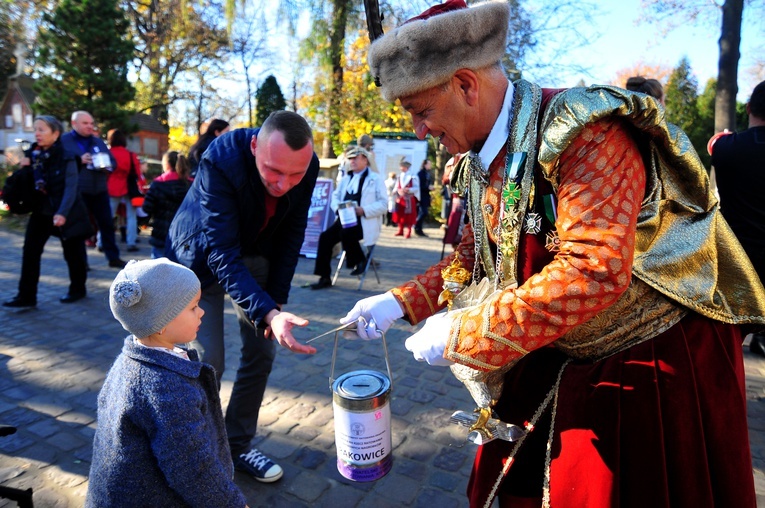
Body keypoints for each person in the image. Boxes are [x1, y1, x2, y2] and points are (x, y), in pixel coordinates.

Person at [341, 1, 765, 507]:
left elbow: (594, 271)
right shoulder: (479, 157)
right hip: (565, 344)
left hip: (649, 357)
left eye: (421, 111)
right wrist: (399, 301)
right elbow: (473, 259)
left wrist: (466, 331)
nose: (418, 131)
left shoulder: (584, 130)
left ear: (465, 85)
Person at [167, 110, 319, 483]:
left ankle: (235, 445)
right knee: (206, 361)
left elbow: (292, 234)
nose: (284, 184)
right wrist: (266, 311)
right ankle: (197, 451)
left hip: (256, 254)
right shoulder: (221, 157)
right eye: (273, 171)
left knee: (261, 352)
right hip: (201, 257)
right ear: (255, 146)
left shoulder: (308, 165)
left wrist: (276, 305)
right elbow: (220, 253)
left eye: (295, 175)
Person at [85, 258, 248, 508]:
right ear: (160, 323)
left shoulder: (130, 360)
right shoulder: (165, 388)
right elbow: (194, 469)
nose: (202, 311)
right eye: (193, 307)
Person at [3, 115, 91, 308]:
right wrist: (23, 168)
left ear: (56, 133)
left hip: (66, 211)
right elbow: (28, 184)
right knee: (30, 252)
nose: (37, 133)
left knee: (73, 253)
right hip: (41, 212)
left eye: (42, 129)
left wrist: (63, 213)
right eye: (36, 129)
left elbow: (71, 187)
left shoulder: (67, 156)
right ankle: (26, 296)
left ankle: (78, 289)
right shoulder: (33, 156)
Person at [709, 79, 765, 357]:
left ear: (749, 107)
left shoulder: (726, 148)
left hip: (736, 264)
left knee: (726, 349)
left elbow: (714, 146)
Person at [309, 146, 387, 289]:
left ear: (365, 159)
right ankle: (324, 277)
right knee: (325, 238)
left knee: (346, 233)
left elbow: (384, 204)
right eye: (350, 158)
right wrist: (338, 208)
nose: (351, 161)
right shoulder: (346, 178)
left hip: (364, 222)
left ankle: (359, 260)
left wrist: (364, 210)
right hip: (345, 220)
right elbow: (335, 196)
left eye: (355, 158)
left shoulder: (376, 179)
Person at [61, 111, 126, 268]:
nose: (90, 126)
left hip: (100, 190)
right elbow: (58, 163)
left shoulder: (98, 142)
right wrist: (79, 160)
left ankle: (113, 257)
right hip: (78, 191)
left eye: (91, 123)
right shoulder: (64, 141)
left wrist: (105, 165)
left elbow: (113, 162)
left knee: (106, 224)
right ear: (74, 123)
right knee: (80, 227)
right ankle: (82, 263)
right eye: (85, 123)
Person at [142, 151, 191, 259]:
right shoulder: (192, 185)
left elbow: (147, 207)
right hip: (185, 237)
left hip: (161, 235)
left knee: (158, 271)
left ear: (166, 165)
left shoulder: (157, 184)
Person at [105, 129, 144, 253]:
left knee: (107, 216)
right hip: (129, 188)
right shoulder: (131, 155)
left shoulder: (108, 153)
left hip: (112, 187)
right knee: (131, 217)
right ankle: (131, 242)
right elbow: (138, 173)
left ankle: (101, 242)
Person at [392, 157, 420, 238]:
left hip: (409, 199)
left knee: (409, 215)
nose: (401, 168)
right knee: (399, 214)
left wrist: (409, 189)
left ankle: (409, 231)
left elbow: (416, 188)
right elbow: (397, 186)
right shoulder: (399, 176)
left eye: (402, 166)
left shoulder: (413, 176)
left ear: (406, 167)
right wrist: (396, 191)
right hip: (400, 198)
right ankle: (400, 230)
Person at [414, 158, 434, 236]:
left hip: (426, 195)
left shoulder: (427, 173)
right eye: (429, 164)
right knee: (423, 212)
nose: (430, 165)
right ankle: (417, 227)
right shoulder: (421, 173)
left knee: (423, 212)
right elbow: (419, 186)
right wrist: (428, 187)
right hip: (421, 196)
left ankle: (419, 228)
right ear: (425, 164)